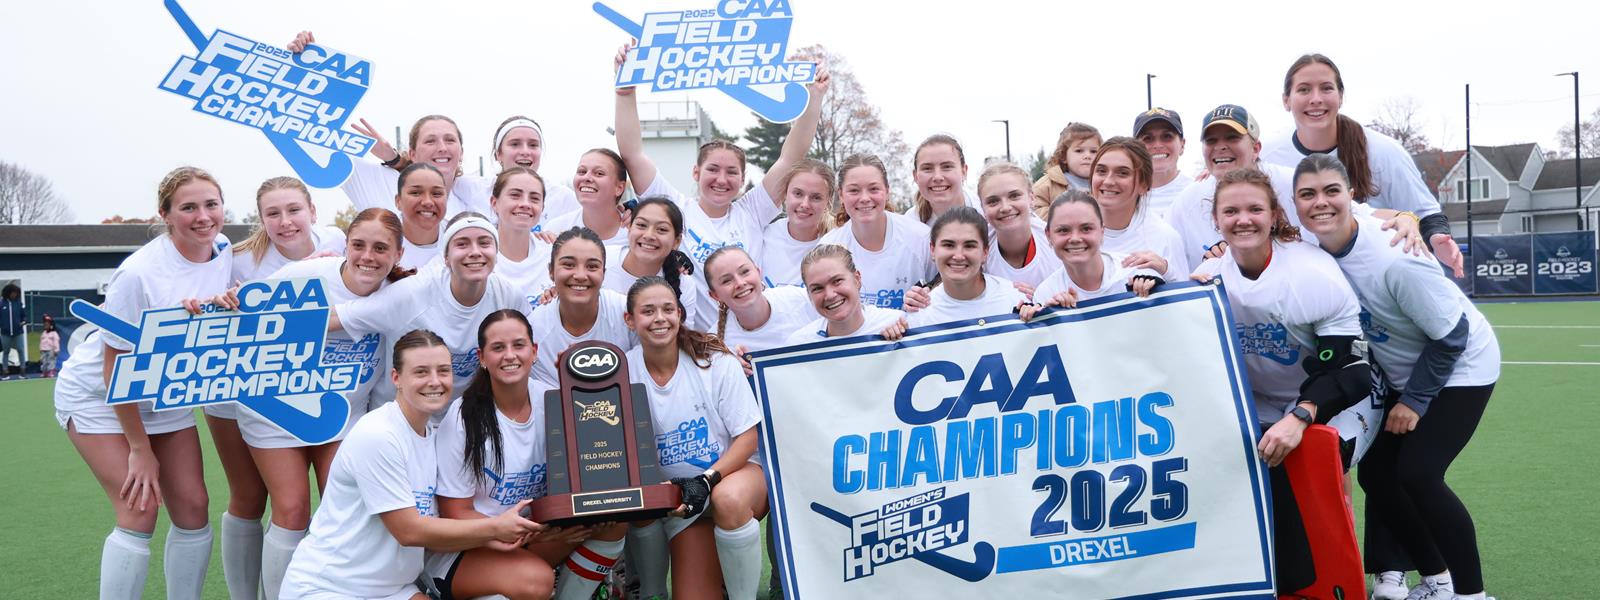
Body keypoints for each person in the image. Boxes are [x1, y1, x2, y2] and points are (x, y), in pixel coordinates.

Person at [1294, 154, 1500, 600]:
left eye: (1331, 191)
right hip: (1402, 368)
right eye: (1307, 194)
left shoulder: (1395, 258)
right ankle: (1437, 581)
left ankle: (1472, 595)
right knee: (1379, 477)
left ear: (1351, 195)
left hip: (1462, 365)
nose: (1320, 202)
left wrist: (1414, 402)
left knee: (1420, 473)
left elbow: (1453, 337)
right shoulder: (1313, 246)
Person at [1189, 167, 1377, 594]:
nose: (1243, 220)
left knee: (1319, 461)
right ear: (1216, 219)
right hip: (1260, 400)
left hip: (1335, 397)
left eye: (1255, 209)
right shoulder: (1208, 275)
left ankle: (1336, 582)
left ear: (1274, 215)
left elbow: (1352, 371)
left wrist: (1301, 416)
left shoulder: (1311, 272)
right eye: (1231, 211)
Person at [212, 207, 410, 599]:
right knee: (292, 509)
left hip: (342, 413)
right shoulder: (304, 275)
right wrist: (224, 302)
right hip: (276, 409)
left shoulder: (398, 294)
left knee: (352, 508)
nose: (367, 257)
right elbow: (241, 314)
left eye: (380, 248)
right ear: (345, 245)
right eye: (358, 245)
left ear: (398, 254)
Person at [53, 166, 231, 599]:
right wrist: (139, 448)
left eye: (211, 204)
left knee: (194, 508)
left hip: (164, 395)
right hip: (101, 396)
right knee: (141, 508)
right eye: (188, 208)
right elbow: (115, 368)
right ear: (165, 215)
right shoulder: (138, 274)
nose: (203, 216)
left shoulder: (224, 249)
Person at [280, 329, 542, 600]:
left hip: (392, 590)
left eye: (443, 371)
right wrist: (496, 528)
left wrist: (499, 538)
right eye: (421, 372)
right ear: (396, 378)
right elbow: (408, 530)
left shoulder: (432, 435)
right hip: (328, 587)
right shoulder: (378, 434)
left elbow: (435, 527)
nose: (435, 381)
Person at [212, 176, 348, 597]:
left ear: (313, 212)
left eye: (294, 210)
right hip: (263, 396)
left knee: (340, 504)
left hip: (328, 391)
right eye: (273, 213)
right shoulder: (238, 261)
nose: (285, 221)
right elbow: (203, 305)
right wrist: (218, 302)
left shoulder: (338, 242)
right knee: (273, 504)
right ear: (261, 219)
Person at [435, 309, 629, 600]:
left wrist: (580, 383)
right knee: (536, 582)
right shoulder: (464, 417)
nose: (509, 355)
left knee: (611, 522)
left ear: (534, 351)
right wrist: (524, 531)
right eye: (498, 348)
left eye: (519, 345)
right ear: (481, 358)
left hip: (528, 536)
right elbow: (455, 513)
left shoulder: (552, 400)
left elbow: (595, 463)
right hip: (472, 544)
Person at [614, 42, 828, 284]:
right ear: (696, 172)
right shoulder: (674, 208)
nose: (721, 179)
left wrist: (814, 97)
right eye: (713, 169)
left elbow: (790, 158)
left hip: (750, 310)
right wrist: (625, 92)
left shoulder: (752, 211)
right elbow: (632, 155)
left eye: (732, 172)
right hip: (686, 311)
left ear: (743, 179)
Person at [624, 277, 767, 600]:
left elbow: (748, 439)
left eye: (668, 309)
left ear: (679, 314)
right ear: (630, 320)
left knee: (727, 500)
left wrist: (705, 480)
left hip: (732, 478)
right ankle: (652, 591)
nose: (660, 318)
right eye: (648, 311)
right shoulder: (623, 371)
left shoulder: (715, 361)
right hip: (682, 504)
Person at [1262, 53, 1465, 277]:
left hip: (1377, 280)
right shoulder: (1267, 156)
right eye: (1304, 90)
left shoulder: (1383, 150)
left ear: (1341, 97)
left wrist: (1436, 238)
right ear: (1286, 100)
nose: (1316, 98)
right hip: (1305, 281)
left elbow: (1425, 213)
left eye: (1326, 88)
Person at [1166, 104, 1426, 271]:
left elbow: (1356, 213)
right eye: (1211, 140)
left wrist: (1404, 217)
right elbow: (1166, 252)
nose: (1220, 147)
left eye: (1232, 138)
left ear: (1256, 148)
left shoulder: (1293, 182)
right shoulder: (1188, 201)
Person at [331, 212, 533, 401]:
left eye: (484, 243)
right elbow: (335, 317)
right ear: (446, 257)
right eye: (462, 244)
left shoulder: (508, 296)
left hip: (461, 417)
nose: (475, 252)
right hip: (399, 415)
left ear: (496, 253)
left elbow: (534, 339)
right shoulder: (412, 294)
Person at [817, 155, 936, 310]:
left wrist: (926, 296)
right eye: (854, 190)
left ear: (887, 191)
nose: (864, 198)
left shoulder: (921, 238)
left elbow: (943, 293)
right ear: (841, 195)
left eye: (873, 189)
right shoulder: (828, 249)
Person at [1021, 190, 1163, 319]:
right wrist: (1052, 318)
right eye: (1063, 230)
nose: (1075, 238)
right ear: (1048, 235)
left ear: (1102, 231)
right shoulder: (1047, 293)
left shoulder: (1136, 272)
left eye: (1086, 228)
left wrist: (1155, 290)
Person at [528, 227, 637, 387]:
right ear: (551, 271)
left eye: (592, 266)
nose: (580, 276)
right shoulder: (536, 330)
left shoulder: (626, 312)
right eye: (568, 265)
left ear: (604, 273)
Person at [905, 207, 1026, 328]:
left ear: (985, 252)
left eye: (969, 246)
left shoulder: (1017, 301)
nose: (958, 256)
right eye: (948, 245)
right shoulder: (919, 316)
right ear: (932, 250)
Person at [605, 197, 713, 331]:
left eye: (661, 229)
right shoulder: (602, 260)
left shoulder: (684, 284)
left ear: (677, 241)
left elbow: (683, 338)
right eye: (641, 225)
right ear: (629, 229)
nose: (649, 235)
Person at [1089, 137, 1189, 281]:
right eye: (1101, 171)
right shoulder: (1069, 232)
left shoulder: (1165, 238)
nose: (1108, 181)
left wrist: (1166, 273)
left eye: (1122, 173)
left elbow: (1184, 291)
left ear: (1144, 185)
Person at [455, 116, 582, 227]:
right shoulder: (470, 188)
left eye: (533, 145)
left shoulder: (563, 198)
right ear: (498, 154)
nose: (525, 151)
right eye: (515, 144)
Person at [704, 246, 819, 359]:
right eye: (727, 281)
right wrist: (730, 366)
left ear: (758, 272)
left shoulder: (801, 299)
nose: (740, 283)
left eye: (745, 272)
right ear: (715, 295)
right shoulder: (715, 345)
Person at [785, 244, 909, 345]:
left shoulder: (896, 323)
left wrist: (903, 341)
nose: (830, 295)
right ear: (809, 295)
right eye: (817, 288)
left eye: (837, 281)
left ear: (857, 279)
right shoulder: (799, 344)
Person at [539, 148, 635, 258]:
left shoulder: (635, 233)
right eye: (582, 172)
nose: (586, 177)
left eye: (599, 173)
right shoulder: (555, 229)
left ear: (619, 188)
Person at [976, 162, 1058, 289]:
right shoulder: (975, 248)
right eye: (993, 201)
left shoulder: (1055, 242)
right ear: (982, 208)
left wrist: (1042, 296)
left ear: (1032, 198)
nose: (1005, 207)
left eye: (1014, 196)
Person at [760, 159, 836, 287]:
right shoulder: (763, 237)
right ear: (785, 194)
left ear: (828, 202)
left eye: (816, 197)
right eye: (798, 194)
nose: (805, 204)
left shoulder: (837, 243)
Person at [488, 167, 556, 309]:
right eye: (515, 195)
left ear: (542, 207)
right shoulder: (479, 257)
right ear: (494, 203)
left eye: (534, 198)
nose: (525, 204)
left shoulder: (554, 254)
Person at [907, 134, 983, 225]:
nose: (937, 177)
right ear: (915, 176)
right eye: (927, 168)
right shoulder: (908, 224)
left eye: (947, 167)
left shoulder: (986, 213)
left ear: (964, 171)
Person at [1132, 108, 1192, 218]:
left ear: (1182, 145)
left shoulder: (1199, 192)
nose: (1158, 145)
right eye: (1147, 138)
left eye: (1167, 136)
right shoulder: (1123, 196)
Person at [1032, 122, 1102, 215]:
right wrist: (1067, 210)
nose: (1087, 156)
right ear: (1064, 156)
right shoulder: (1048, 184)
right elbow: (1034, 212)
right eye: (1079, 151)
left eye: (1093, 151)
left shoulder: (1104, 183)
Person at [392, 163, 450, 270]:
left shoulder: (460, 237)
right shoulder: (381, 240)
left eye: (436, 193)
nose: (428, 202)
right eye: (416, 193)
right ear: (398, 201)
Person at [0, 283, 23, 379]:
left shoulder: (18, 303)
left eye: (16, 293)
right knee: (6, 351)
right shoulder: (1, 303)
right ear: (8, 293)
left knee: (21, 350)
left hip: (18, 332)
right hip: (5, 333)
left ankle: (23, 371)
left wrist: (23, 321)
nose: (15, 295)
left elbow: (23, 315)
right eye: (13, 293)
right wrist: (3, 326)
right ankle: (5, 372)